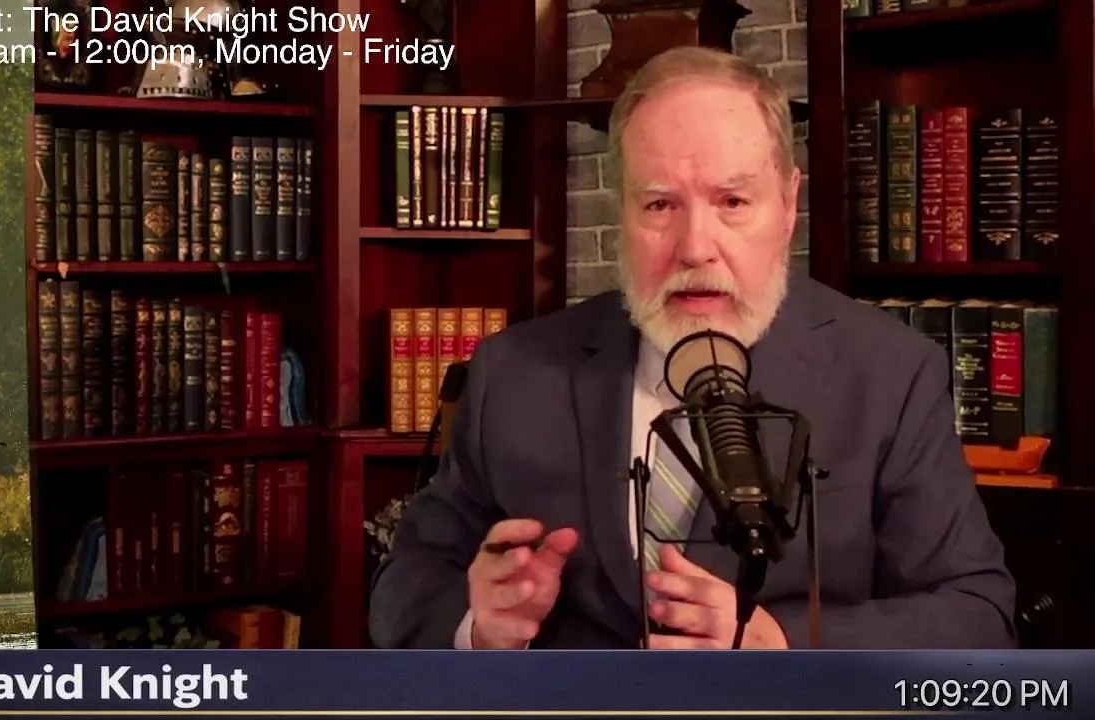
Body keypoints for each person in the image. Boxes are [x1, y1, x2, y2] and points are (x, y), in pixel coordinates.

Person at [369, 46, 1016, 650]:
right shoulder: (514, 373)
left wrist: (785, 646)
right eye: (659, 205)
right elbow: (405, 585)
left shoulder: (889, 374)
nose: (695, 248)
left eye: (733, 201)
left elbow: (978, 615)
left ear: (788, 204)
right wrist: (478, 622)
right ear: (621, 211)